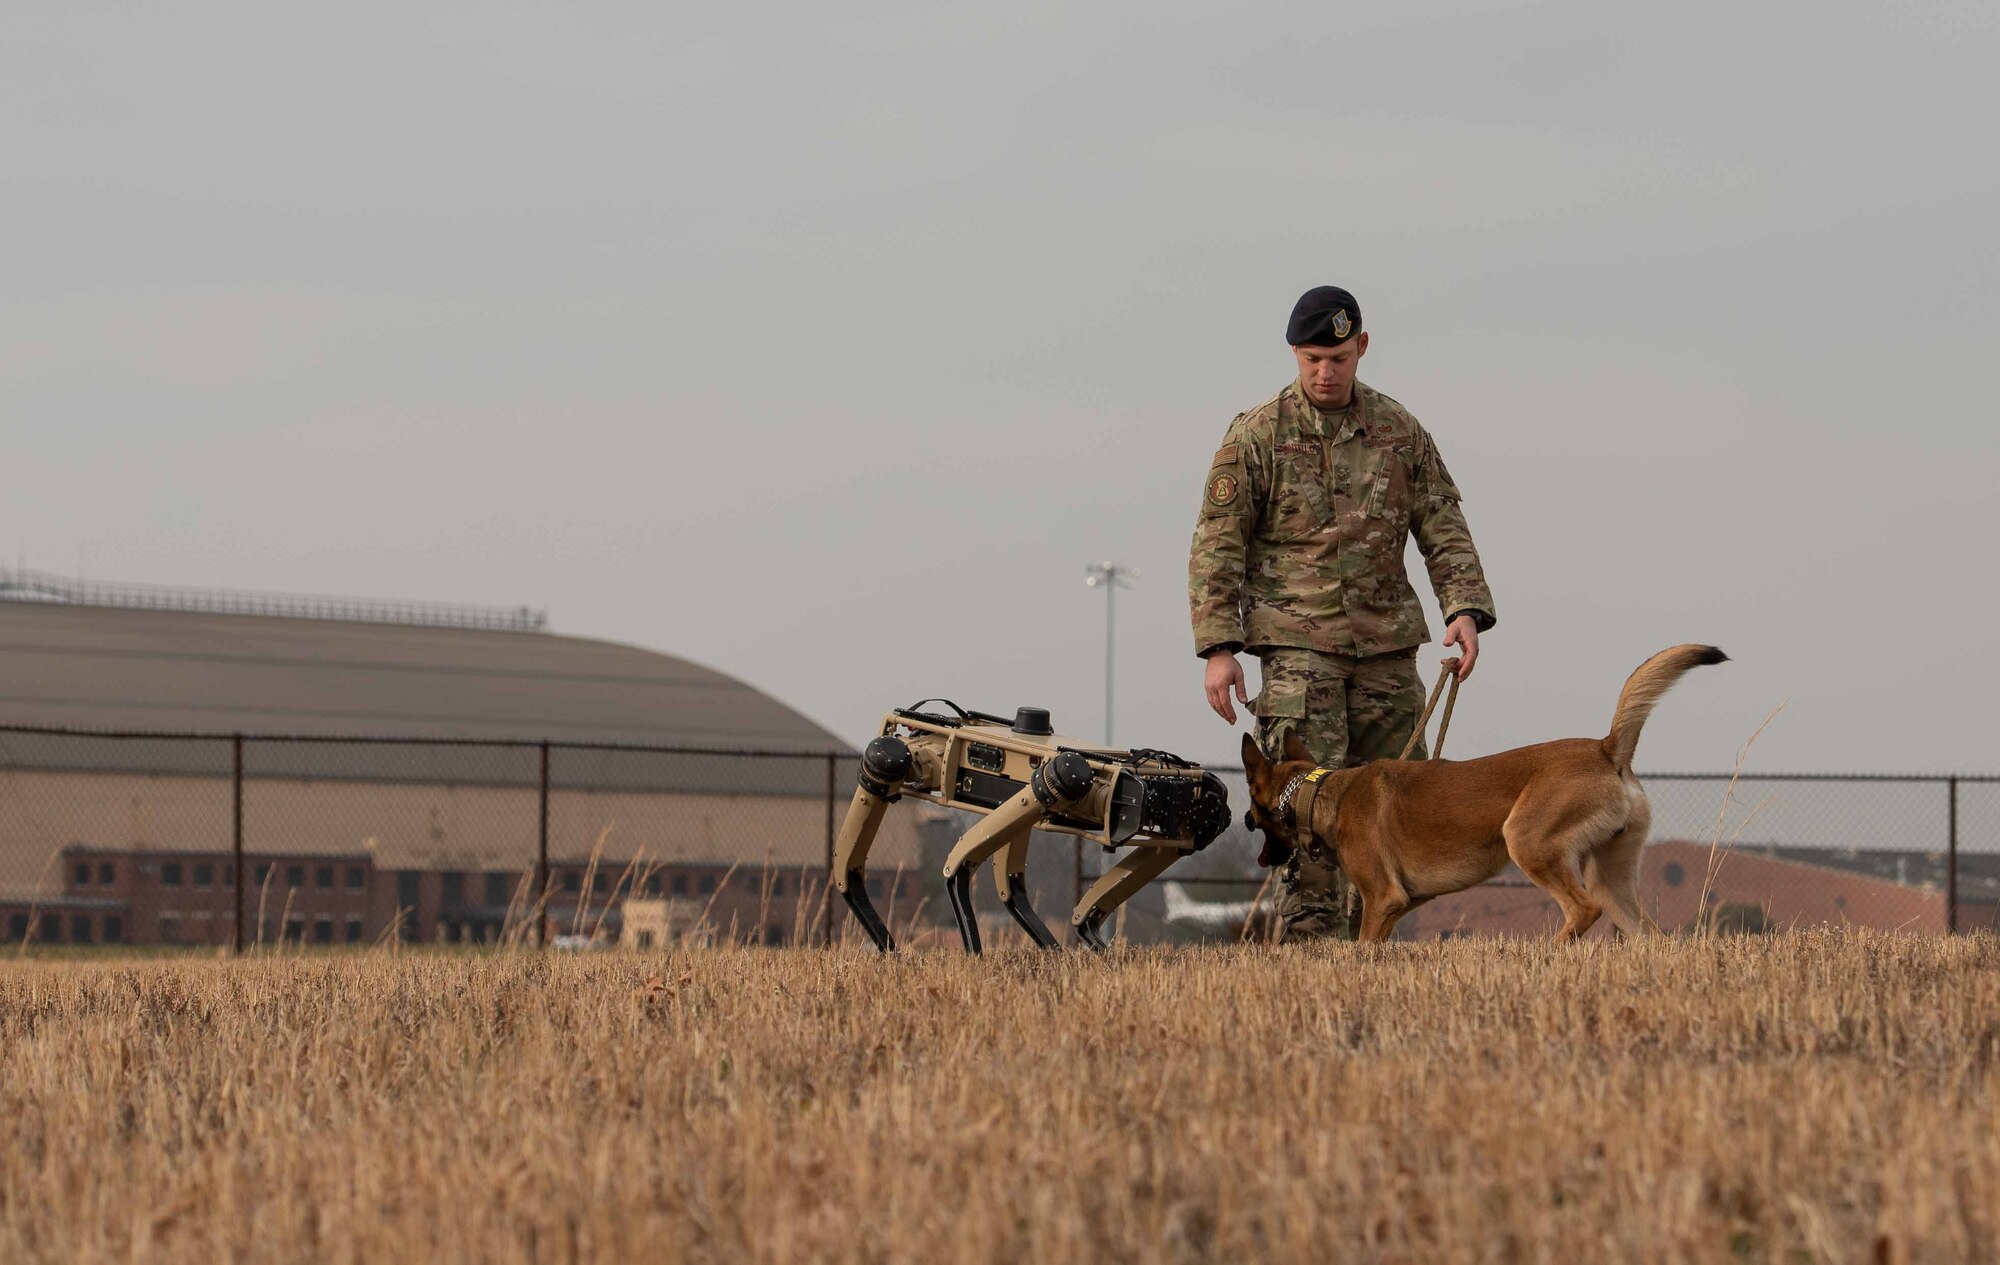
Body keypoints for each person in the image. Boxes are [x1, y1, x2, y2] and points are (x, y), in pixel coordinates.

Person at [1188, 285, 1496, 941]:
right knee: (1304, 805)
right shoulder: (1257, 436)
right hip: (1299, 653)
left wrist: (1464, 608)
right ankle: (1308, 945)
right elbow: (1217, 543)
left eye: (1336, 358)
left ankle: (1373, 943)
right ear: (1294, 356)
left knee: (1403, 807)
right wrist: (1220, 647)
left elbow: (1442, 522)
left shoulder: (1398, 430)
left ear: (1361, 348)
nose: (1325, 373)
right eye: (1311, 360)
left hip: (1388, 652)